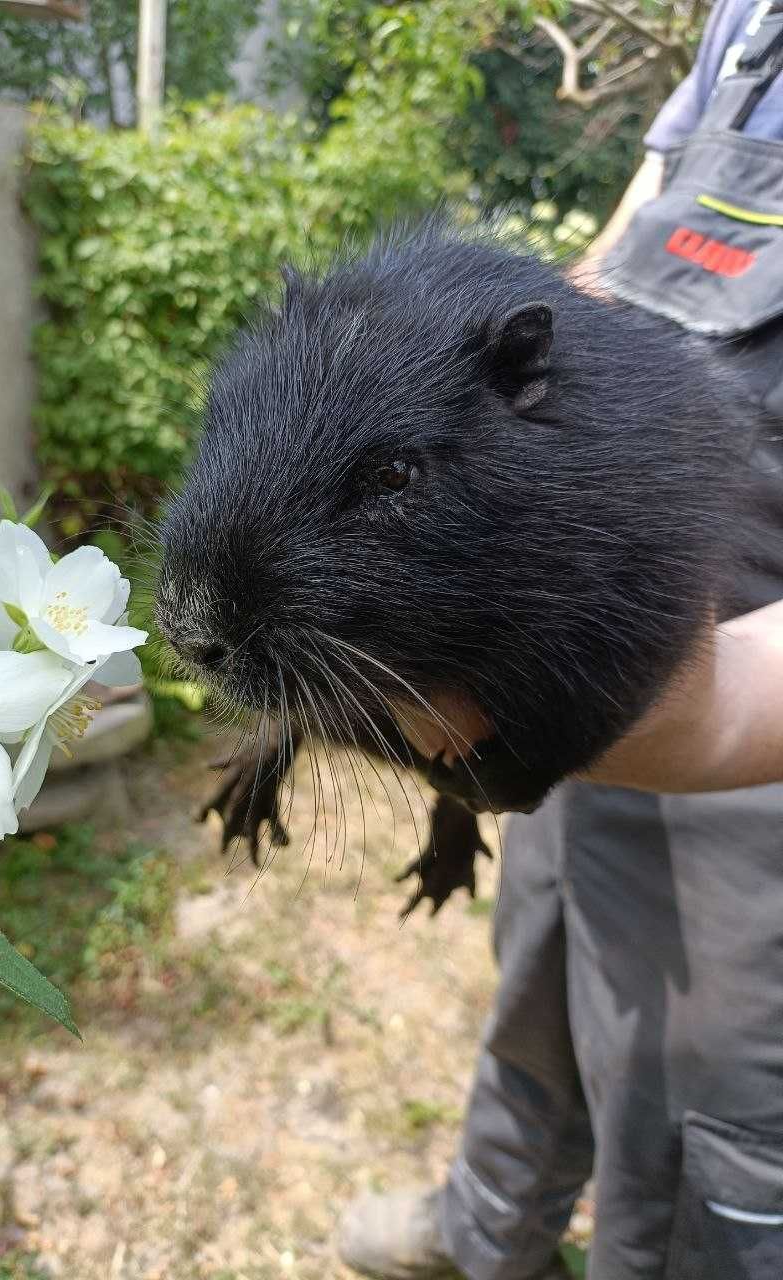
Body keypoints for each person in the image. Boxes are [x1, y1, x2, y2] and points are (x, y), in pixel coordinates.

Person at [336, 3, 783, 1278]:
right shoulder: (749, 26)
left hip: (755, 724)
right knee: (537, 966)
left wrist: (721, 716)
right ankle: (491, 1223)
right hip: (580, 636)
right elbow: (609, 269)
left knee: (699, 1085)